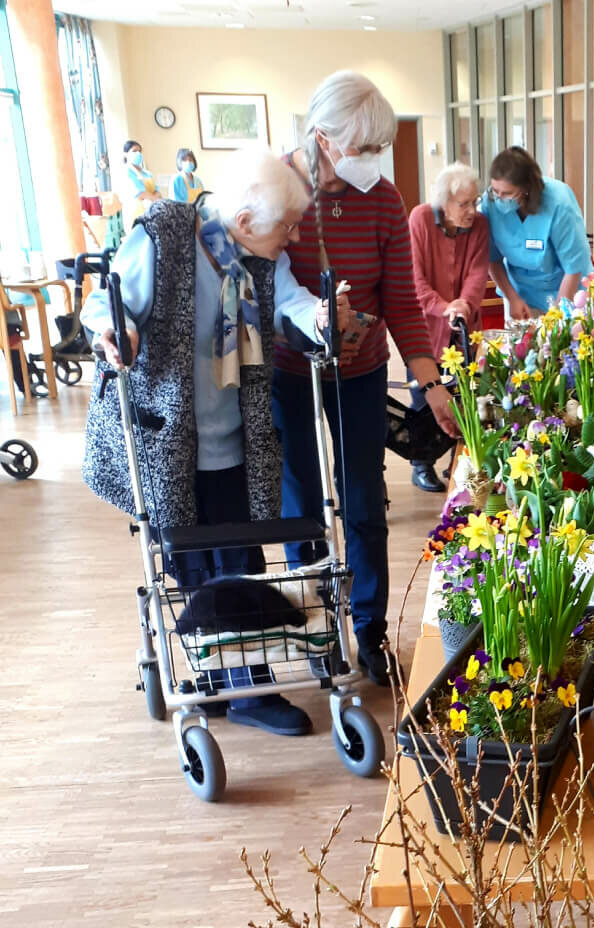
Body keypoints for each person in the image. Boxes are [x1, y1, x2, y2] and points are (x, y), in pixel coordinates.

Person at [81, 149, 347, 736]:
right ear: (247, 221)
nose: (295, 235)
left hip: (234, 439)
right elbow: (107, 298)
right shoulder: (166, 235)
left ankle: (250, 689)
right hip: (168, 440)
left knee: (244, 560)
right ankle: (205, 674)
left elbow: (294, 297)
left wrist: (320, 317)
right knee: (189, 564)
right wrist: (114, 329)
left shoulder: (256, 256)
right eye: (288, 225)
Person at [274, 70, 457, 686]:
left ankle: (371, 630)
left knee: (362, 500)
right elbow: (262, 285)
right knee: (301, 495)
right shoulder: (282, 186)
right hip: (289, 368)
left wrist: (431, 386)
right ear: (324, 138)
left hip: (362, 368)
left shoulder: (382, 198)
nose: (374, 159)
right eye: (364, 146)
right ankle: (317, 626)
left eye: (381, 145)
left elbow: (403, 304)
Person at [406, 162, 491, 492]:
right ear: (444, 201)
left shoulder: (480, 226)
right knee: (423, 397)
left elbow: (477, 274)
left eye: (475, 201)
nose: (472, 210)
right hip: (425, 326)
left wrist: (464, 306)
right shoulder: (421, 219)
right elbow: (414, 280)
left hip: (463, 326)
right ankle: (420, 463)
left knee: (462, 394)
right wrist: (445, 307)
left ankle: (454, 461)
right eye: (464, 203)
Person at [481, 146, 591, 320]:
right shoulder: (490, 203)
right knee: (520, 346)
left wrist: (556, 317)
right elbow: (492, 260)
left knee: (559, 343)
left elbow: (573, 267)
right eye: (496, 191)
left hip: (565, 290)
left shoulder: (559, 203)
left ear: (526, 189)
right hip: (518, 292)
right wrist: (512, 297)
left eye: (507, 193)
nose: (499, 198)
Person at [121, 140, 161, 228]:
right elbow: (139, 194)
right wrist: (155, 199)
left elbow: (157, 190)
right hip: (136, 214)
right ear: (126, 154)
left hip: (151, 212)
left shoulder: (147, 173)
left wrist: (156, 198)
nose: (138, 154)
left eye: (140, 151)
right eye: (134, 151)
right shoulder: (127, 172)